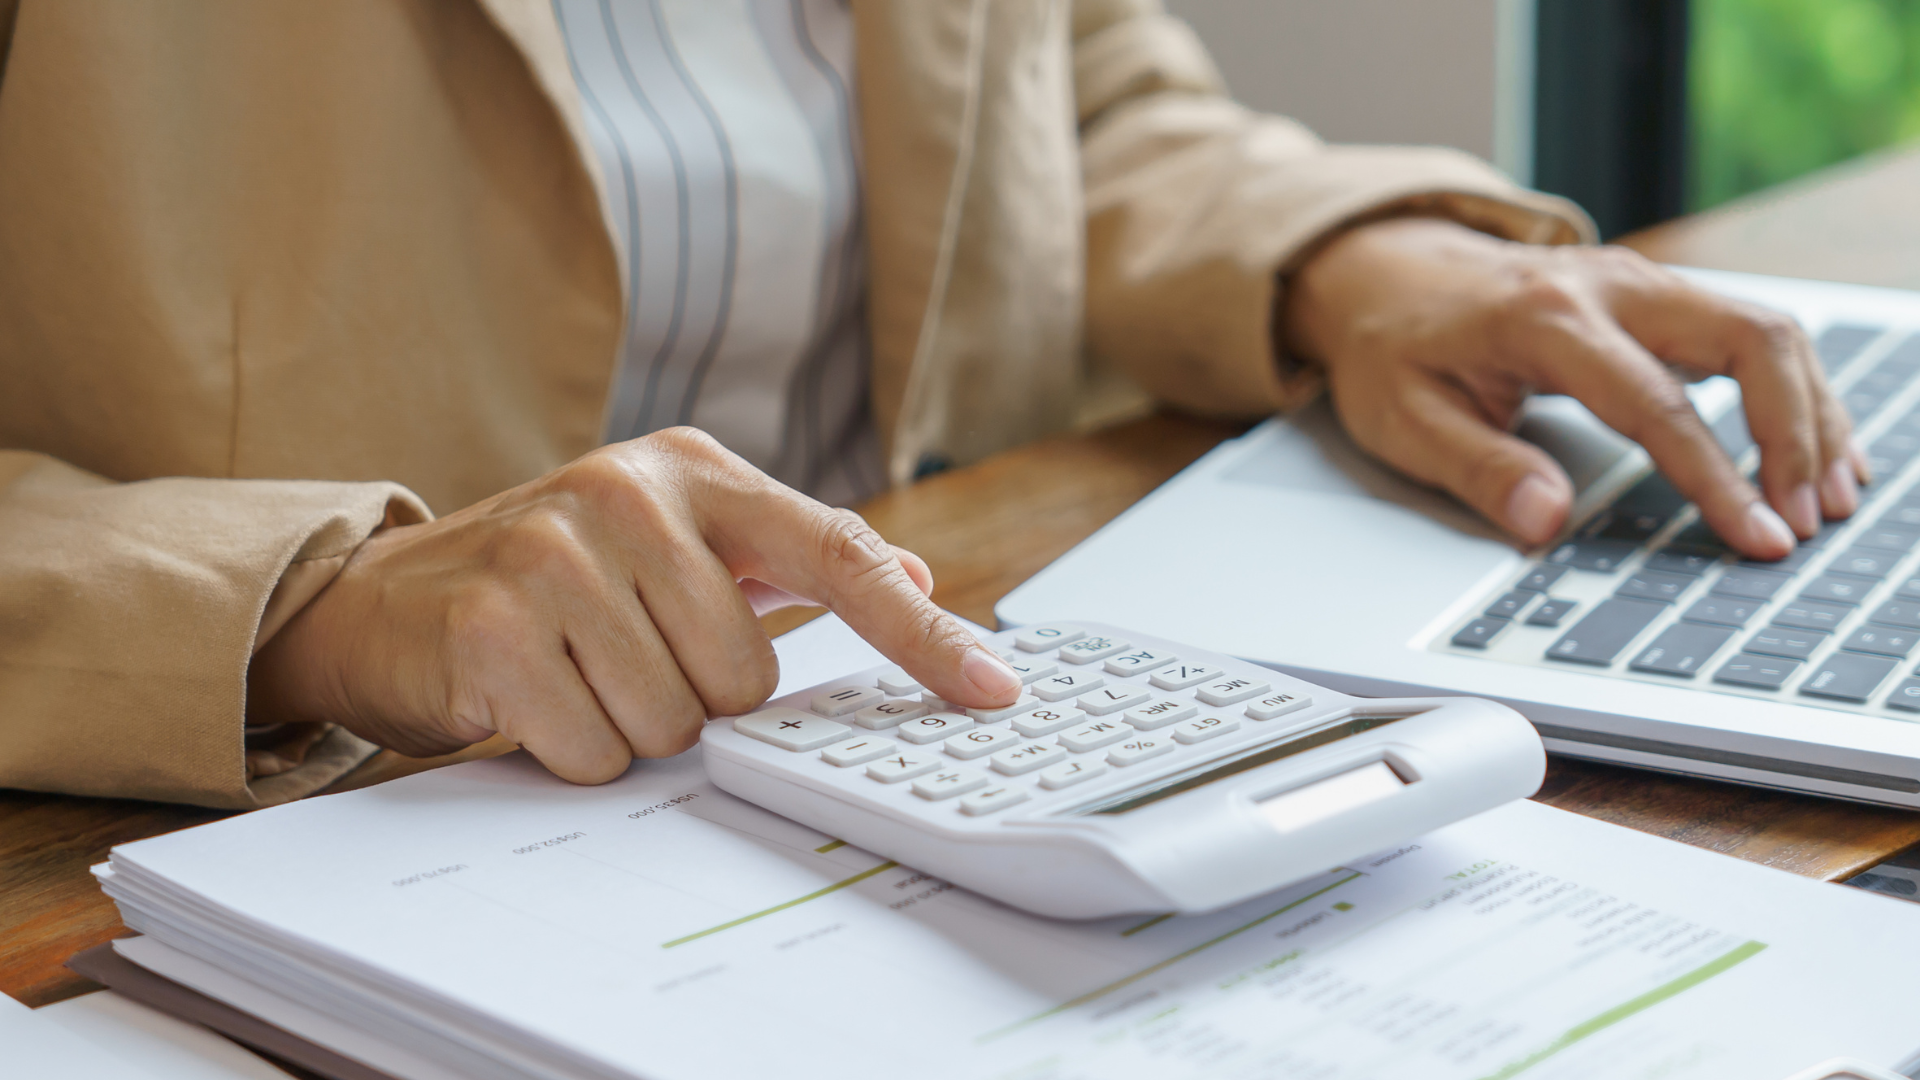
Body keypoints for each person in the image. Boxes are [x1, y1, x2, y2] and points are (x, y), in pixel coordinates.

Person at [0, 0, 1860, 809]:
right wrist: (310, 603)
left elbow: (1081, 99)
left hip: (891, 738)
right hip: (257, 823)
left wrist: (1355, 265)